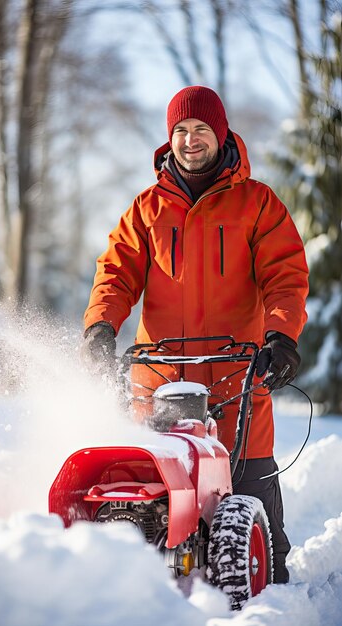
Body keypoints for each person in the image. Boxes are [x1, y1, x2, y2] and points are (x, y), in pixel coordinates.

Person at [82, 86, 309, 584]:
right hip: (159, 382)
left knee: (257, 519)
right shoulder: (146, 210)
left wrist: (281, 336)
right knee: (157, 502)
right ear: (169, 139)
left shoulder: (257, 204)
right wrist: (101, 325)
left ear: (221, 133)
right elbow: (115, 273)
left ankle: (265, 592)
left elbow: (285, 277)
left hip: (238, 378)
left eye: (201, 130)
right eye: (181, 131)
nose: (190, 140)